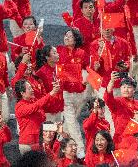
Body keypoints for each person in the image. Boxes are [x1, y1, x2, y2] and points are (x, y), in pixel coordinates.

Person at [56, 28, 89, 158]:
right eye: (66, 36)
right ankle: (80, 148)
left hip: (80, 93)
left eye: (70, 36)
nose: (67, 38)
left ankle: (58, 140)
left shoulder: (82, 53)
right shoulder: (59, 50)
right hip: (65, 93)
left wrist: (88, 77)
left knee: (71, 121)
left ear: (76, 40)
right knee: (72, 122)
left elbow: (89, 69)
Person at [14, 79, 63, 154]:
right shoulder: (19, 106)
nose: (32, 90)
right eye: (29, 88)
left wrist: (54, 127)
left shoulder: (34, 101)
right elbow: (34, 107)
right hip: (28, 145)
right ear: (22, 93)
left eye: (32, 87)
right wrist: (51, 93)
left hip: (39, 142)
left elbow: (39, 125)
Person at [104, 73, 138, 146]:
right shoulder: (117, 102)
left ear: (134, 90)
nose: (126, 90)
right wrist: (112, 81)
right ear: (120, 89)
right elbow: (108, 98)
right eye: (123, 87)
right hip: (121, 141)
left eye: (129, 87)